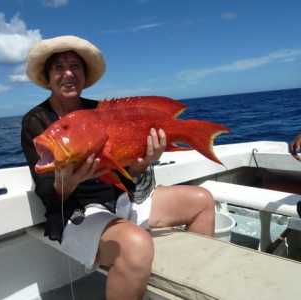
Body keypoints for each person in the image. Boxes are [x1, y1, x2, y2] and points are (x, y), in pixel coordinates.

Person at [21, 35, 215, 300]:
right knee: (136, 245)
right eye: (59, 67)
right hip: (76, 213)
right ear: (47, 76)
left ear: (84, 74)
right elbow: (49, 195)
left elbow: (125, 173)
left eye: (75, 66)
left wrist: (143, 163)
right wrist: (68, 182)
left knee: (202, 201)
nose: (68, 74)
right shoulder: (37, 122)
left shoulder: (99, 110)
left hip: (119, 199)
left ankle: (192, 287)